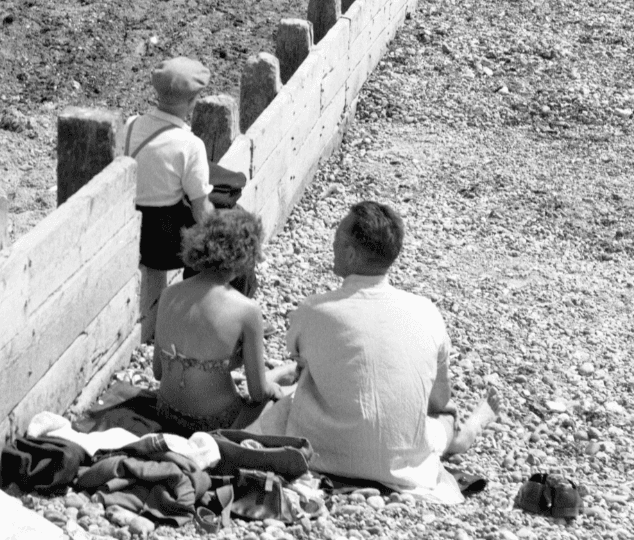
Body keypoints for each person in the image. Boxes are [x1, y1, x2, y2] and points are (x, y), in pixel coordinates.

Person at [254, 201, 500, 503]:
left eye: (338, 236)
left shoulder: (313, 310)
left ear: (351, 253)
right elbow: (438, 399)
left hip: (321, 455)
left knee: (289, 398)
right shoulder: (426, 311)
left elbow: (302, 365)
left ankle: (449, 439)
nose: (332, 241)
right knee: (444, 414)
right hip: (402, 464)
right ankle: (458, 436)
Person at [153, 208, 297, 433]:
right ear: (246, 257)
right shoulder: (246, 310)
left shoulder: (168, 295)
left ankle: (281, 372)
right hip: (216, 421)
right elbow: (257, 393)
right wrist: (274, 390)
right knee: (291, 398)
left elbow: (158, 373)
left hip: (166, 411)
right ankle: (287, 375)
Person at [124, 57, 213, 338]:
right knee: (215, 232)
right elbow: (201, 210)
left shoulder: (130, 125)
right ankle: (207, 311)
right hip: (164, 245)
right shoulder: (190, 144)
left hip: (133, 234)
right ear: (193, 100)